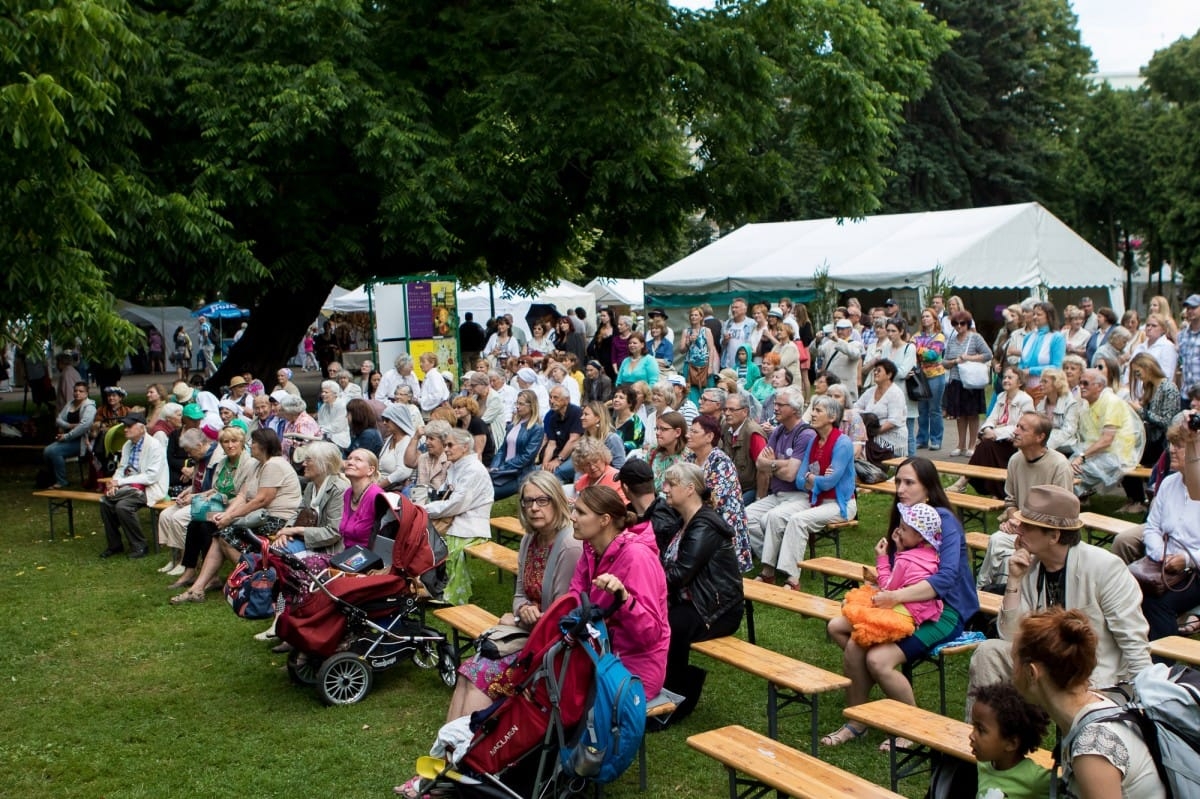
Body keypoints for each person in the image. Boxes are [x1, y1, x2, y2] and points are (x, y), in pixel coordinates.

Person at [820, 457, 978, 748]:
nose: (900, 488)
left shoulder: (941, 521)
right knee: (854, 641)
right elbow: (897, 569)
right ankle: (857, 720)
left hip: (943, 611)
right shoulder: (904, 517)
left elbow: (945, 580)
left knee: (876, 658)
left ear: (928, 488)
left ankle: (912, 728)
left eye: (909, 483)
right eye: (897, 481)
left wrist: (894, 596)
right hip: (903, 606)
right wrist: (883, 582)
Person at [967, 485, 1151, 711]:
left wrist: (1146, 703)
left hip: (1092, 678)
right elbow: (1010, 635)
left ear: (1054, 535)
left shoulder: (1106, 568)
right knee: (989, 652)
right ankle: (989, 739)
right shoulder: (1031, 566)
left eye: (1027, 526)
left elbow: (1134, 642)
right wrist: (1014, 580)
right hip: (1045, 667)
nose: (1018, 530)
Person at [444, 473, 584, 721]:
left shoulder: (569, 546)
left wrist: (521, 619)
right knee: (469, 671)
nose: (533, 508)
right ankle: (450, 748)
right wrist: (522, 610)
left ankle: (469, 749)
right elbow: (519, 594)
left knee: (483, 674)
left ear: (557, 501)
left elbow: (561, 617)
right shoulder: (531, 539)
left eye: (543, 500)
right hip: (529, 632)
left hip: (553, 644)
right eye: (527, 501)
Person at [1012, 608, 1166, 799]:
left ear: (1032, 673)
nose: (1012, 672)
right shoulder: (1096, 706)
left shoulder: (1093, 750)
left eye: (1014, 661)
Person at [171, 429, 303, 604]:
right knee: (219, 534)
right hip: (260, 516)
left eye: (253, 443)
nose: (251, 446)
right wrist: (227, 514)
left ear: (263, 445)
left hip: (278, 520)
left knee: (226, 535)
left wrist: (230, 518)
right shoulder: (257, 465)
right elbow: (242, 495)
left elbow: (262, 500)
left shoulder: (274, 465)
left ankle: (255, 582)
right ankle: (197, 589)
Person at [657, 462, 744, 725]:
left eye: (671, 484)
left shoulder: (703, 525)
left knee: (670, 625)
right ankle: (659, 689)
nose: (665, 489)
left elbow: (680, 574)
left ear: (690, 489)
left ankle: (675, 699)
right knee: (652, 619)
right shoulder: (684, 522)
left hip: (717, 609)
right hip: (691, 601)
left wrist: (647, 585)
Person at [567, 486, 670, 699]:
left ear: (604, 520)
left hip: (635, 671)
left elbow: (650, 635)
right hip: (598, 654)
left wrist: (624, 599)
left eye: (581, 512)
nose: (572, 517)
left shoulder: (637, 557)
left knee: (561, 701)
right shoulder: (591, 549)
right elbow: (576, 598)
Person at [758, 395, 856, 589]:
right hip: (815, 498)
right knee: (775, 516)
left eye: (818, 410)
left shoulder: (843, 443)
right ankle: (768, 571)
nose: (812, 413)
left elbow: (829, 482)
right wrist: (813, 479)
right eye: (813, 409)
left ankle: (792, 578)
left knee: (798, 520)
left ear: (832, 416)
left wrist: (812, 479)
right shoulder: (814, 441)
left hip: (839, 503)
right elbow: (800, 479)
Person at [836, 502, 943, 649]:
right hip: (923, 612)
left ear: (919, 536)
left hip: (901, 615)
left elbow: (887, 587)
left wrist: (882, 557)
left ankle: (861, 660)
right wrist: (900, 550)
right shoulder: (931, 555)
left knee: (848, 614)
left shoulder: (906, 560)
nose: (899, 532)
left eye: (904, 529)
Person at [1136, 422, 1200, 642]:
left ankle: (1163, 667)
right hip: (1162, 564)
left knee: (1158, 603)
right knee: (1121, 587)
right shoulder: (1168, 484)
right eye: (1171, 444)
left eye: (1180, 445)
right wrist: (1159, 555)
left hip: (1195, 571)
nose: (1171, 450)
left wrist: (1187, 560)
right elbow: (1152, 527)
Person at [422, 428, 495, 605]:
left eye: (450, 445)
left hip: (471, 524)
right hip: (457, 519)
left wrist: (425, 509)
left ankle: (448, 593)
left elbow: (456, 504)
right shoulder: (457, 465)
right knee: (424, 537)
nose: (446, 449)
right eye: (445, 444)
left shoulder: (473, 470)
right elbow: (446, 496)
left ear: (465, 447)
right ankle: (431, 586)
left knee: (445, 546)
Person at [744, 386, 817, 558]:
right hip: (777, 495)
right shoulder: (778, 431)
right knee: (745, 517)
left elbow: (791, 474)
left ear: (794, 409)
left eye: (780, 405)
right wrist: (780, 465)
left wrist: (772, 464)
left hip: (798, 495)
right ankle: (774, 557)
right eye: (775, 404)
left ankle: (772, 561)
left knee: (769, 519)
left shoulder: (805, 434)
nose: (775, 408)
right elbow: (760, 463)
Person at [947, 367, 1034, 498]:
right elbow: (991, 418)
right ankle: (990, 489)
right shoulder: (1001, 396)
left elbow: (1021, 426)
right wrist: (988, 430)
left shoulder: (1025, 400)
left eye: (1010, 378)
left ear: (1020, 382)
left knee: (985, 446)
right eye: (1004, 377)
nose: (1005, 380)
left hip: (1014, 444)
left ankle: (963, 481)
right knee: (986, 445)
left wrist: (996, 433)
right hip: (998, 440)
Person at [684, 414, 752, 572]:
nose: (688, 435)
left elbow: (715, 501)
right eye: (689, 431)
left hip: (720, 524)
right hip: (697, 518)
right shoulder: (689, 458)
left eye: (694, 432)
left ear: (709, 437)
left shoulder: (720, 462)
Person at [98, 412, 169, 560]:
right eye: (125, 426)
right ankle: (115, 545)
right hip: (129, 489)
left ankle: (140, 545)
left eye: (129, 426)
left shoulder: (155, 446)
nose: (125, 429)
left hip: (150, 488)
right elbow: (121, 468)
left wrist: (120, 483)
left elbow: (151, 477)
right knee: (106, 503)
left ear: (141, 428)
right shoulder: (127, 445)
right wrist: (114, 484)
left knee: (119, 505)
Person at [968, 682, 1053, 799]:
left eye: (981, 730)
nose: (971, 736)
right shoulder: (984, 764)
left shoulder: (1035, 779)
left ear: (1011, 743)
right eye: (974, 726)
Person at [154, 428, 219, 576]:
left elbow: (215, 488)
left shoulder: (216, 458)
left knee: (178, 518)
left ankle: (187, 561)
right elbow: (199, 482)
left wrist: (194, 497)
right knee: (165, 515)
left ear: (199, 446)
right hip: (197, 497)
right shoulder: (199, 457)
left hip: (210, 502)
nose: (188, 455)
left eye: (189, 451)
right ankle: (175, 558)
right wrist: (189, 490)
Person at [1073, 369, 1144, 498]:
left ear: (1099, 386)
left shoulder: (1111, 402)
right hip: (1099, 451)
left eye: (1085, 383)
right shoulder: (1087, 404)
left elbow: (1107, 440)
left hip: (1117, 455)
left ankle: (1065, 505)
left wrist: (1082, 457)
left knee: (1076, 472)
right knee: (1064, 467)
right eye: (1080, 383)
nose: (1081, 387)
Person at [943, 311, 993, 457]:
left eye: (962, 323)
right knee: (960, 415)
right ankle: (960, 445)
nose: (959, 326)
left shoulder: (975, 337)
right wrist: (954, 362)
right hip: (956, 381)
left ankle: (972, 445)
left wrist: (969, 358)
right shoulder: (952, 340)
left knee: (972, 414)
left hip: (971, 381)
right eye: (956, 324)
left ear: (968, 324)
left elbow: (988, 354)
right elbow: (945, 362)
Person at [490, 390, 544, 500]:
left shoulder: (537, 429)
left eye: (521, 404)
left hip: (519, 475)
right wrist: (495, 466)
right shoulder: (512, 425)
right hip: (503, 471)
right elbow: (502, 449)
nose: (517, 407)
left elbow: (526, 457)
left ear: (531, 406)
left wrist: (503, 467)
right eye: (517, 403)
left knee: (489, 492)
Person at [43, 381, 96, 489]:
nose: (77, 393)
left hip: (82, 442)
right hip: (68, 438)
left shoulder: (89, 407)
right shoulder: (70, 404)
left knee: (54, 451)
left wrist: (66, 436)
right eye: (75, 391)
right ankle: (52, 478)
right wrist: (69, 425)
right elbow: (58, 419)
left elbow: (83, 427)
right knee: (47, 451)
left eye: (81, 391)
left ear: (86, 393)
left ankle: (61, 481)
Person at [854, 359, 907, 459]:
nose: (875, 373)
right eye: (874, 370)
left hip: (890, 436)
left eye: (878, 370)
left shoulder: (896, 393)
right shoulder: (870, 391)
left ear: (889, 375)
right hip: (870, 434)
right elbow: (856, 407)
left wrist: (872, 433)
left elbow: (893, 421)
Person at [722, 391, 766, 503]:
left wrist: (759, 499)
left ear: (745, 412)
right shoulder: (726, 427)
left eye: (732, 409)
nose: (727, 413)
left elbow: (763, 470)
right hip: (730, 487)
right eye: (725, 409)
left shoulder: (753, 433)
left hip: (749, 489)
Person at [913, 308, 947, 450]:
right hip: (920, 376)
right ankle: (922, 439)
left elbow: (933, 355)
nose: (925, 319)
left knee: (934, 409)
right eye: (923, 317)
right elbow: (910, 348)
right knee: (921, 409)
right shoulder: (917, 335)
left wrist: (919, 349)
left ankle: (936, 439)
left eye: (928, 316)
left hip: (935, 376)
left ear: (934, 319)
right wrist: (924, 350)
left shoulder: (939, 336)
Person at [1017, 302, 1065, 397]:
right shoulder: (1028, 337)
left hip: (1046, 389)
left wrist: (1030, 371)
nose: (1035, 317)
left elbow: (1057, 366)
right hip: (1025, 388)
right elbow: (1022, 362)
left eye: (1039, 314)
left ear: (1049, 317)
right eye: (1034, 314)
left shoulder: (1057, 338)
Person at [818, 319, 864, 401]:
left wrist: (838, 341)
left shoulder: (856, 344)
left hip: (846, 386)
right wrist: (817, 340)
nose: (839, 332)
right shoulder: (830, 343)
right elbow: (818, 352)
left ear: (850, 331)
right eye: (838, 329)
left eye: (842, 329)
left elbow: (854, 354)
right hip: (830, 386)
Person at [376, 404, 419, 492]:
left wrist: (378, 486)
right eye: (383, 419)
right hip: (380, 482)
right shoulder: (389, 439)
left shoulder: (407, 441)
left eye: (387, 420)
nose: (384, 423)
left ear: (397, 420)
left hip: (393, 488)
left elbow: (403, 472)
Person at [410, 420, 451, 505]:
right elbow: (419, 488)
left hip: (440, 505)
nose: (427, 442)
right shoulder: (423, 458)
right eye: (427, 438)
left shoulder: (450, 461)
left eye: (431, 439)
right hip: (421, 504)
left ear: (443, 441)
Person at [571, 437, 624, 502]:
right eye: (587, 464)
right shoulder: (581, 481)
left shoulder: (617, 478)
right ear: (581, 466)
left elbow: (621, 508)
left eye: (595, 461)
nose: (592, 467)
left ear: (603, 457)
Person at [682, 307, 719, 400]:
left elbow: (711, 350)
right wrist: (688, 343)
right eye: (692, 315)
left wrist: (710, 367)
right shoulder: (686, 331)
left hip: (704, 365)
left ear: (701, 317)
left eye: (696, 315)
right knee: (690, 391)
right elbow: (682, 350)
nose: (693, 317)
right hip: (690, 365)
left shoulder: (706, 331)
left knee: (707, 391)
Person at [580, 400, 625, 469]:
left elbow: (619, 467)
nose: (582, 417)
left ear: (598, 418)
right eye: (582, 414)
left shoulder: (612, 439)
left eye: (586, 414)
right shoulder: (584, 439)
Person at [610, 385, 644, 453]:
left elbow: (634, 445)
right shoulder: (611, 420)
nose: (616, 400)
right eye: (615, 397)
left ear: (630, 403)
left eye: (621, 398)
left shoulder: (636, 422)